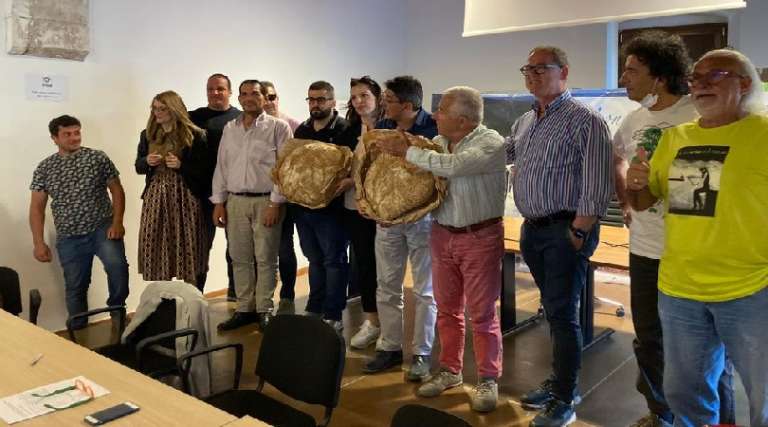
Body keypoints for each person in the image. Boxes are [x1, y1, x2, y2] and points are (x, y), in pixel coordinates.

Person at [626, 48, 768, 427]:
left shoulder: (764, 133)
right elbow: (644, 202)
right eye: (695, 78)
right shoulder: (675, 138)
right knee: (683, 392)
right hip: (679, 289)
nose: (700, 84)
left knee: (763, 399)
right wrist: (634, 184)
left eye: (715, 75)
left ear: (745, 84)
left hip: (751, 289)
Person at [612, 31, 735, 427]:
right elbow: (620, 160)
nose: (623, 78)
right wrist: (628, 200)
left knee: (709, 351)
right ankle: (661, 412)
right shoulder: (633, 120)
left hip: (693, 251)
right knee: (649, 339)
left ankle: (720, 418)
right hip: (645, 248)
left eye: (632, 70)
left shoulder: (698, 115)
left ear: (659, 75)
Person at [378, 86, 506, 412]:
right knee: (447, 309)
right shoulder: (437, 142)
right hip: (442, 234)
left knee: (482, 313)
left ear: (462, 120)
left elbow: (452, 166)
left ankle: (488, 379)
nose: (435, 115)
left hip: (480, 237)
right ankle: (450, 370)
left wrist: (405, 151)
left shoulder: (490, 143)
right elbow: (416, 182)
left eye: (442, 110)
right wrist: (386, 208)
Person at [510, 46, 613, 426]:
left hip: (564, 230)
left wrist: (578, 231)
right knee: (552, 312)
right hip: (532, 230)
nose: (532, 74)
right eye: (528, 68)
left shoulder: (585, 120)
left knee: (563, 315)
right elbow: (504, 156)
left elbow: (598, 184)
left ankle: (566, 399)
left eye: (541, 68)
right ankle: (558, 382)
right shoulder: (525, 121)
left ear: (563, 72)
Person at [362, 76, 438, 383]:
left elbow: (440, 174)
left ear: (407, 105)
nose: (384, 104)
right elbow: (369, 167)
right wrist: (373, 204)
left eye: (389, 100)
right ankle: (390, 347)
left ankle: (421, 353)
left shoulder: (434, 129)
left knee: (425, 290)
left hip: (423, 221)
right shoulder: (382, 127)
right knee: (387, 285)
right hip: (387, 221)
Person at [29, 115, 129, 329]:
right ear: (54, 138)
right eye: (67, 134)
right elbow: (37, 208)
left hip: (103, 228)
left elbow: (116, 189)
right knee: (75, 287)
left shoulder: (97, 158)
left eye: (77, 132)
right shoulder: (45, 168)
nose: (74, 138)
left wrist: (117, 222)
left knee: (118, 268)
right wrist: (38, 242)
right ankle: (78, 334)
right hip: (69, 236)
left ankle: (118, 315)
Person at [211, 79, 292, 331]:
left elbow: (284, 168)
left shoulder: (278, 128)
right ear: (238, 98)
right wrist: (219, 202)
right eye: (244, 94)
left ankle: (264, 309)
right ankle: (244, 308)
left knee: (266, 258)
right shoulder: (230, 128)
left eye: (254, 94)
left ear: (263, 97)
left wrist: (276, 203)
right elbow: (222, 166)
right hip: (235, 201)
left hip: (266, 201)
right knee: (239, 258)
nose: (249, 98)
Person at [292, 80, 351, 333]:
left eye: (321, 99)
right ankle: (314, 307)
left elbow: (351, 166)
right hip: (304, 208)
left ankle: (333, 312)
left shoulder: (345, 129)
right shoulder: (302, 130)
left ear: (332, 101)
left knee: (334, 261)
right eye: (311, 99)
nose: (315, 104)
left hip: (332, 210)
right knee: (313, 259)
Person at [135, 90, 210, 287]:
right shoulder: (147, 134)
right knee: (157, 245)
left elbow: (204, 172)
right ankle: (164, 302)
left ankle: (190, 303)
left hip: (185, 196)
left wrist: (181, 166)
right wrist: (147, 161)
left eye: (162, 108)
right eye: (155, 108)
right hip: (156, 194)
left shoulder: (195, 134)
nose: (157, 113)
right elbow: (138, 167)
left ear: (174, 109)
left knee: (188, 246)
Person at [334, 76, 384, 349]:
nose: (359, 101)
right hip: (355, 207)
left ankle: (391, 325)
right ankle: (372, 321)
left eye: (364, 95)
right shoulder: (349, 129)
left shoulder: (390, 127)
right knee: (364, 263)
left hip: (386, 207)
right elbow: (342, 162)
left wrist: (355, 178)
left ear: (377, 96)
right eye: (354, 97)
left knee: (388, 269)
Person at [189, 73, 241, 294]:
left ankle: (236, 295)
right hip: (201, 194)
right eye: (210, 89)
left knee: (237, 249)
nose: (215, 93)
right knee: (200, 249)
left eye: (220, 89)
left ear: (229, 92)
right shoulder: (193, 117)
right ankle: (195, 297)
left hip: (233, 194)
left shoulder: (240, 118)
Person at [260, 80, 300, 315]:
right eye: (264, 98)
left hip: (286, 198)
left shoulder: (293, 125)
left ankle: (287, 295)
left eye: (272, 97)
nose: (268, 102)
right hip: (259, 196)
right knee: (261, 252)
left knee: (284, 248)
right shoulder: (254, 127)